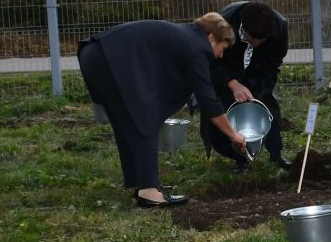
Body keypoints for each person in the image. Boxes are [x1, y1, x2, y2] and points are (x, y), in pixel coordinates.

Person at [77, 13, 248, 208]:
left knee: (130, 122)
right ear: (211, 38)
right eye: (222, 48)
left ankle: (141, 183)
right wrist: (233, 135)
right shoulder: (197, 47)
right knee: (144, 117)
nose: (220, 55)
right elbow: (208, 99)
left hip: (95, 55)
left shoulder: (184, 37)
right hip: (107, 60)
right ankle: (148, 191)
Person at [211, 0, 291, 170]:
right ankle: (239, 158)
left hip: (258, 70)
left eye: (263, 40)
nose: (258, 43)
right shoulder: (223, 24)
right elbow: (211, 62)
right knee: (223, 113)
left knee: (269, 109)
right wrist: (232, 84)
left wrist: (259, 93)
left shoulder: (279, 27)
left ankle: (276, 155)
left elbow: (273, 64)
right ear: (244, 28)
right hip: (228, 70)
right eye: (253, 39)